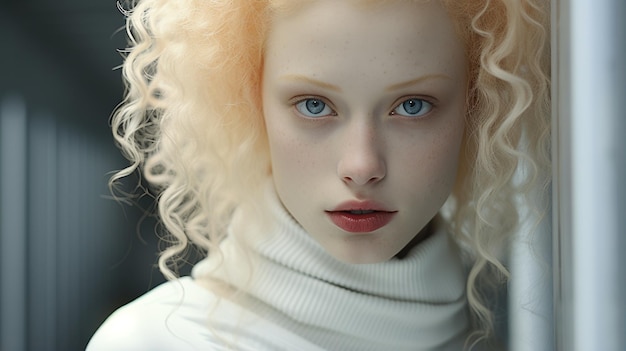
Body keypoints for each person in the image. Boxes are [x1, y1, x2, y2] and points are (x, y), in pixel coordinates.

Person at [87, 0, 551, 350]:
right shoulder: (157, 340)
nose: (362, 165)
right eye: (315, 106)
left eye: (412, 106)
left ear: (476, 106)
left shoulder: (505, 336)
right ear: (250, 105)